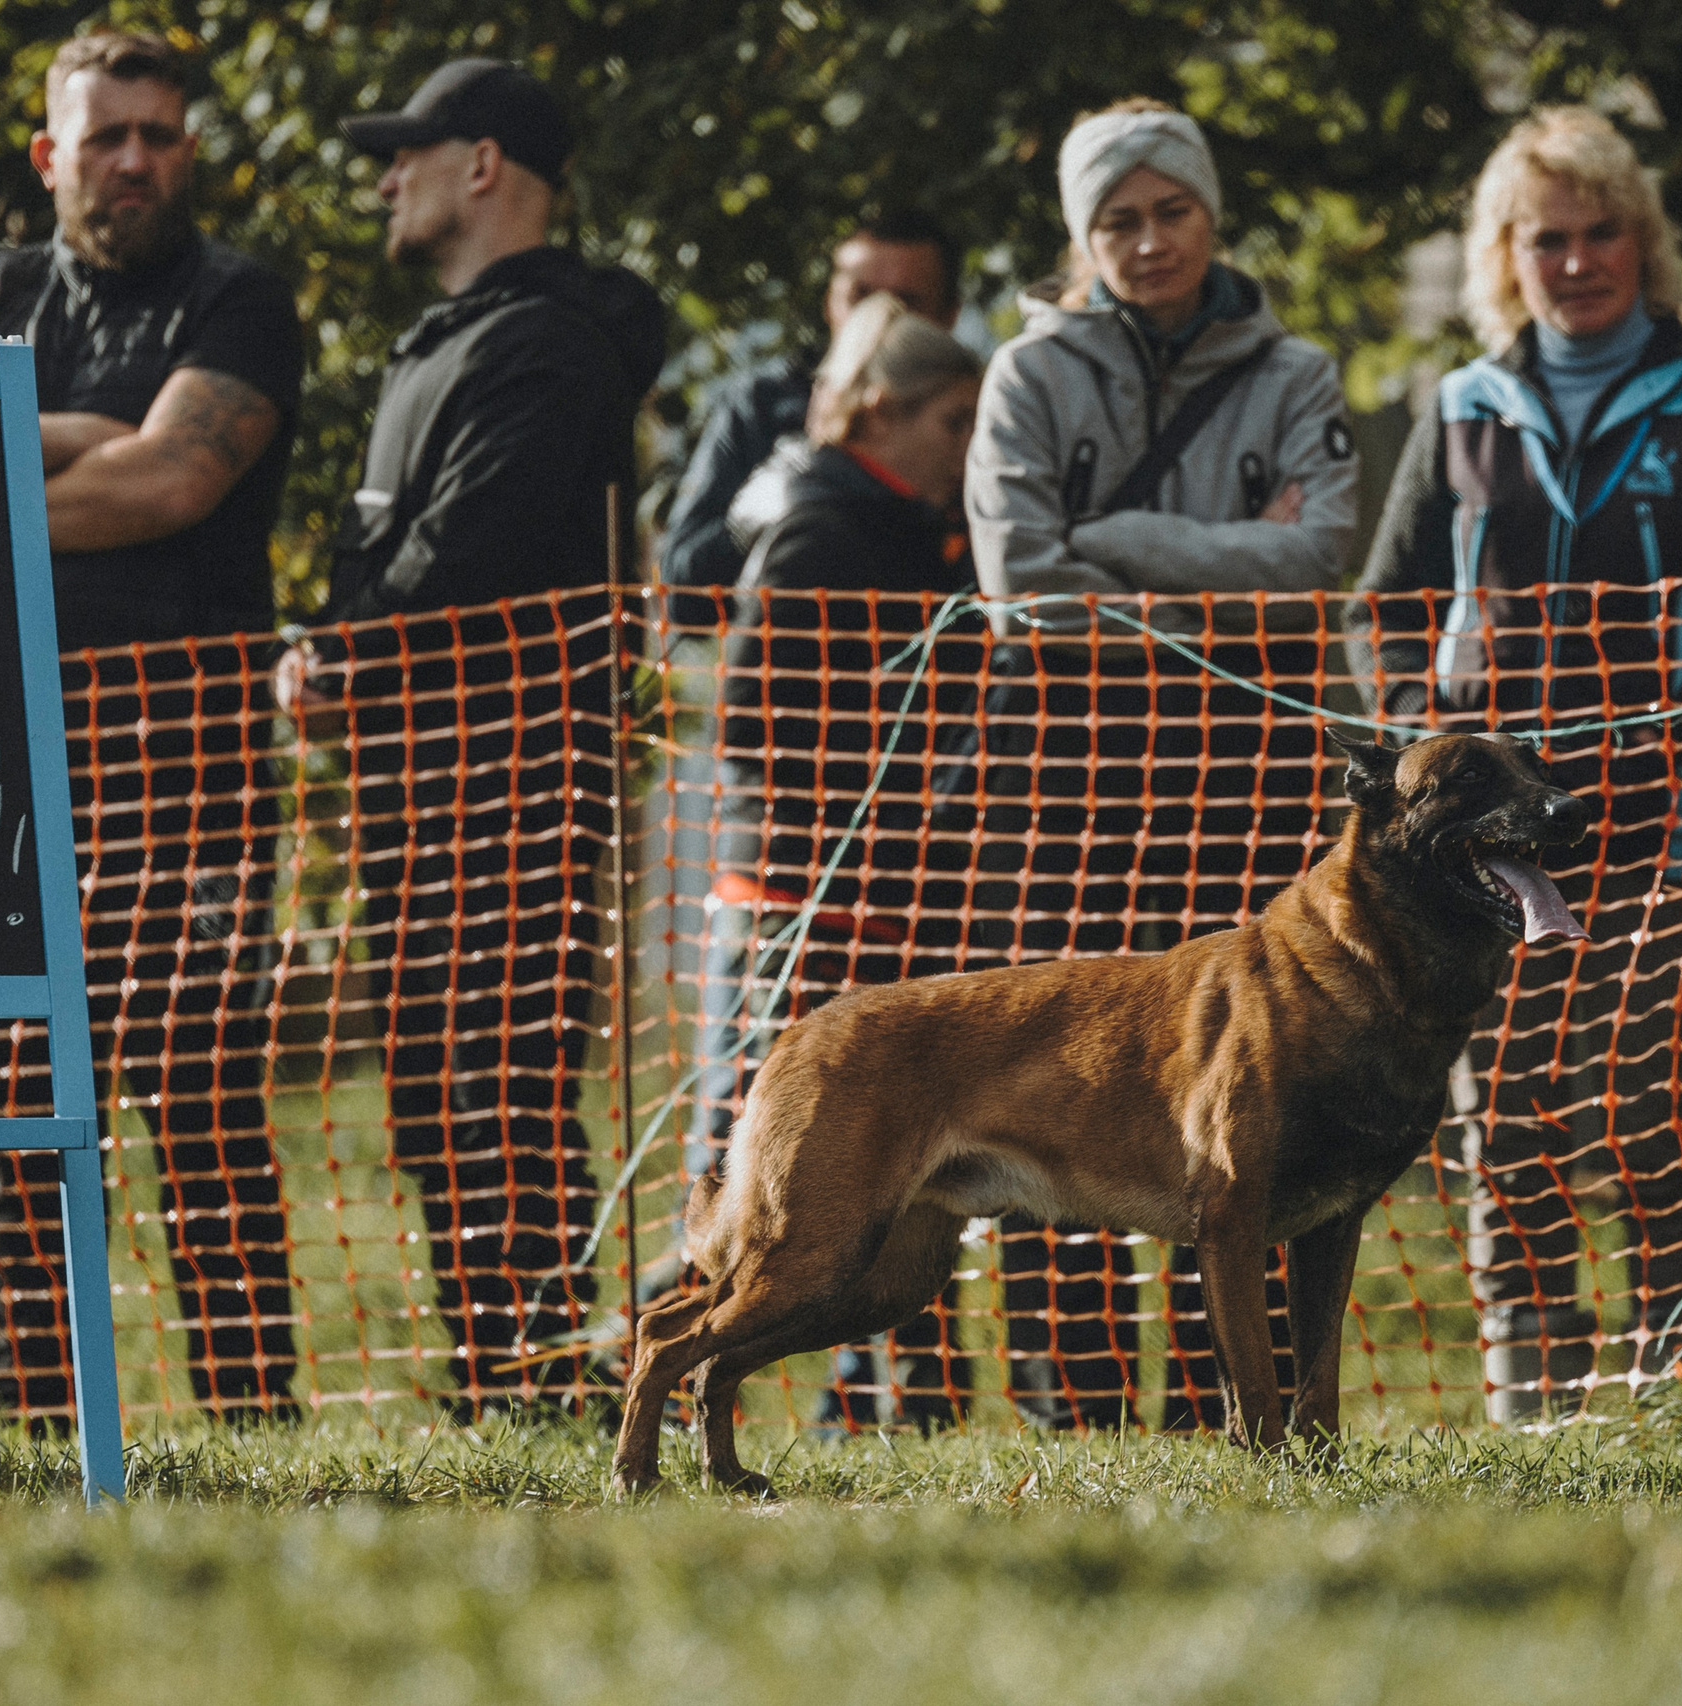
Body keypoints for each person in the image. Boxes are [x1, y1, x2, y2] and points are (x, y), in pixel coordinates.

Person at [1351, 106, 1682, 1418]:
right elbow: (1384, 604)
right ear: (1508, 254)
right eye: (1547, 237)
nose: (1577, 260)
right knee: (1500, 1107)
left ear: (1643, 237)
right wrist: (1420, 733)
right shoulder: (1462, 406)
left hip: (1656, 806)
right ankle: (1535, 1401)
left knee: (1639, 1093)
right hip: (1484, 835)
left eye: (1601, 230)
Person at [0, 29, 303, 1428]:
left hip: (188, 777)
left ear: (186, 150)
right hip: (7, 780)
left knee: (199, 1106)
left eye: (159, 132)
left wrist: (10, 466)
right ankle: (43, 1421)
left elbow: (173, 480)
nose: (135, 157)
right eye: (106, 135)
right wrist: (85, 432)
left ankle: (255, 1415)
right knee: (15, 1111)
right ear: (50, 155)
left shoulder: (240, 304)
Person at [963, 97, 1358, 1431]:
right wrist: (1210, 583)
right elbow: (1022, 583)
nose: (1147, 240)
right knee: (1058, 1071)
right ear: (1083, 238)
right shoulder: (1027, 375)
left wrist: (1117, 536)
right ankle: (1069, 1406)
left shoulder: (1294, 374)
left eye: (1169, 210)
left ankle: (1220, 1401)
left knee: (1239, 1083)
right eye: (1117, 221)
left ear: (1211, 213)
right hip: (1063, 770)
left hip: (1240, 768)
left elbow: (1316, 558)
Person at [281, 57, 667, 1420]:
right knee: (435, 1091)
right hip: (411, 774)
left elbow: (465, 553)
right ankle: (482, 1378)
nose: (387, 176)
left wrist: (341, 646)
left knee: (501, 1083)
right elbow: (387, 546)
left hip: (516, 773)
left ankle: (540, 1380)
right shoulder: (438, 342)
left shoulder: (551, 347)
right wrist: (332, 646)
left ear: (486, 165)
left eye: (411, 150)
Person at [692, 295, 985, 1432]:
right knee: (786, 1162)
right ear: (881, 412)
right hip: (804, 898)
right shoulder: (822, 534)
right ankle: (694, 1373)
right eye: (953, 418)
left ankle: (878, 1403)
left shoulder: (920, 530)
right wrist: (899, 783)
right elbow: (751, 724)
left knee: (900, 1155)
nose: (968, 444)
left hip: (885, 894)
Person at [659, 213, 965, 606]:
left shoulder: (983, 415)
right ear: (830, 302)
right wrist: (805, 483)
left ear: (948, 316)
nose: (877, 318)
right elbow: (684, 584)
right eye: (861, 296)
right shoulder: (765, 404)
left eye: (905, 302)